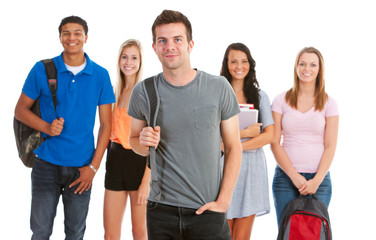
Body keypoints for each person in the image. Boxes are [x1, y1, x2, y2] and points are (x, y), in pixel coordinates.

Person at [127, 10, 242, 240]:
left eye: (177, 39)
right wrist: (142, 142)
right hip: (161, 212)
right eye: (163, 41)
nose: (170, 46)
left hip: (207, 210)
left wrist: (224, 201)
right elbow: (133, 142)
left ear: (190, 44)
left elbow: (233, 147)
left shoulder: (219, 87)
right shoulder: (143, 91)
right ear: (154, 47)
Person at [14, 16, 115, 239]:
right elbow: (20, 110)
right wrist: (46, 127)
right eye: (66, 33)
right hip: (46, 164)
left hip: (81, 169)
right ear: (60, 38)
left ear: (86, 38)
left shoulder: (100, 75)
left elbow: (106, 126)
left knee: (76, 232)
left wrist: (94, 168)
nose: (72, 38)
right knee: (40, 231)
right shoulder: (42, 69)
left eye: (77, 33)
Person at [270, 47, 339, 226]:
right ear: (296, 67)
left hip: (319, 181)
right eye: (302, 63)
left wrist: (316, 180)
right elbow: (274, 143)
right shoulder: (280, 100)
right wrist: (294, 175)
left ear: (319, 69)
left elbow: (330, 145)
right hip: (286, 179)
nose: (306, 68)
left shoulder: (329, 103)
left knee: (314, 234)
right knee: (288, 234)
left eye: (312, 64)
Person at [220, 43, 274, 239]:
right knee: (222, 233)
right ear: (226, 64)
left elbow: (269, 135)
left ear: (250, 64)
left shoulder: (260, 96)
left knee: (242, 236)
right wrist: (245, 133)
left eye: (243, 61)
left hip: (251, 170)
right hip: (223, 169)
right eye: (233, 61)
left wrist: (234, 147)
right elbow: (212, 138)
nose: (239, 66)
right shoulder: (218, 94)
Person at [103, 39, 150, 240]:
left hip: (139, 163)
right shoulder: (113, 92)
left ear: (140, 62)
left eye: (133, 57)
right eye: (124, 57)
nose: (128, 62)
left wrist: (146, 183)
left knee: (139, 232)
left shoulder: (146, 94)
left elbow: (153, 144)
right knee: (110, 234)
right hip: (115, 161)